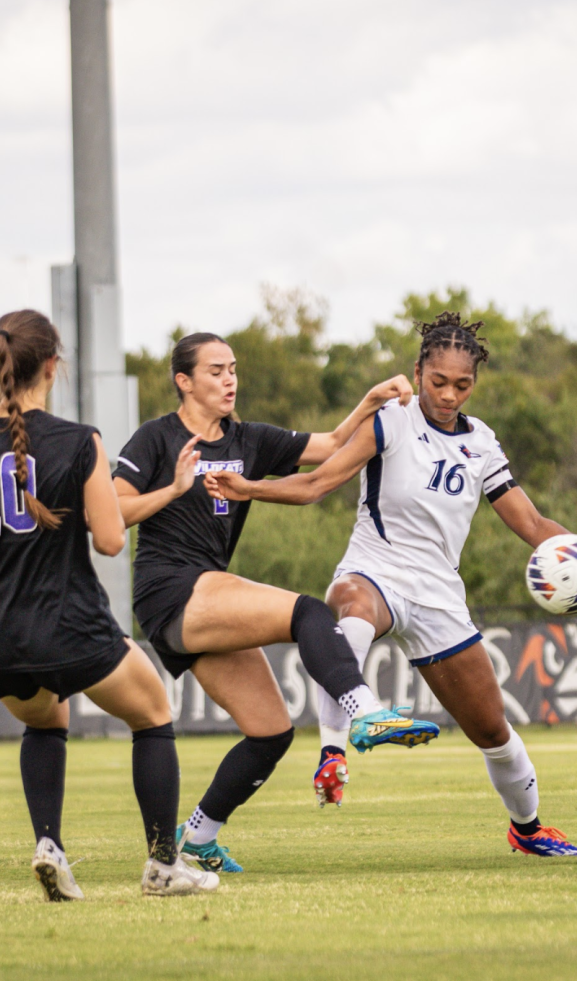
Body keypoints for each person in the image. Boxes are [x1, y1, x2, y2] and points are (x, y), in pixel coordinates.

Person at [205, 311, 577, 856]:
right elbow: (316, 483)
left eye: (463, 385)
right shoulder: (391, 421)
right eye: (438, 382)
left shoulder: (482, 443)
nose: (450, 395)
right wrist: (251, 489)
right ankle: (334, 749)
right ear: (417, 372)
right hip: (375, 569)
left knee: (493, 732)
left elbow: (532, 525)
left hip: (438, 596)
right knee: (351, 610)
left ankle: (528, 830)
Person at [0, 309, 217, 898]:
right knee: (153, 712)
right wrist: (170, 491)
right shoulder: (79, 441)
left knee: (47, 721)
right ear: (54, 366)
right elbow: (109, 540)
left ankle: (49, 844)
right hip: (70, 625)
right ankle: (161, 865)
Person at [112, 332, 440, 872]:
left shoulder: (248, 440)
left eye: (233, 369)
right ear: (183, 381)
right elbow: (116, 512)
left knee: (269, 732)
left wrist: (371, 401)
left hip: (204, 595)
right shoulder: (156, 438)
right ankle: (365, 715)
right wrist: (173, 487)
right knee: (309, 611)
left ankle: (197, 837)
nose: (229, 379)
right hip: (170, 589)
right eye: (215, 370)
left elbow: (336, 444)